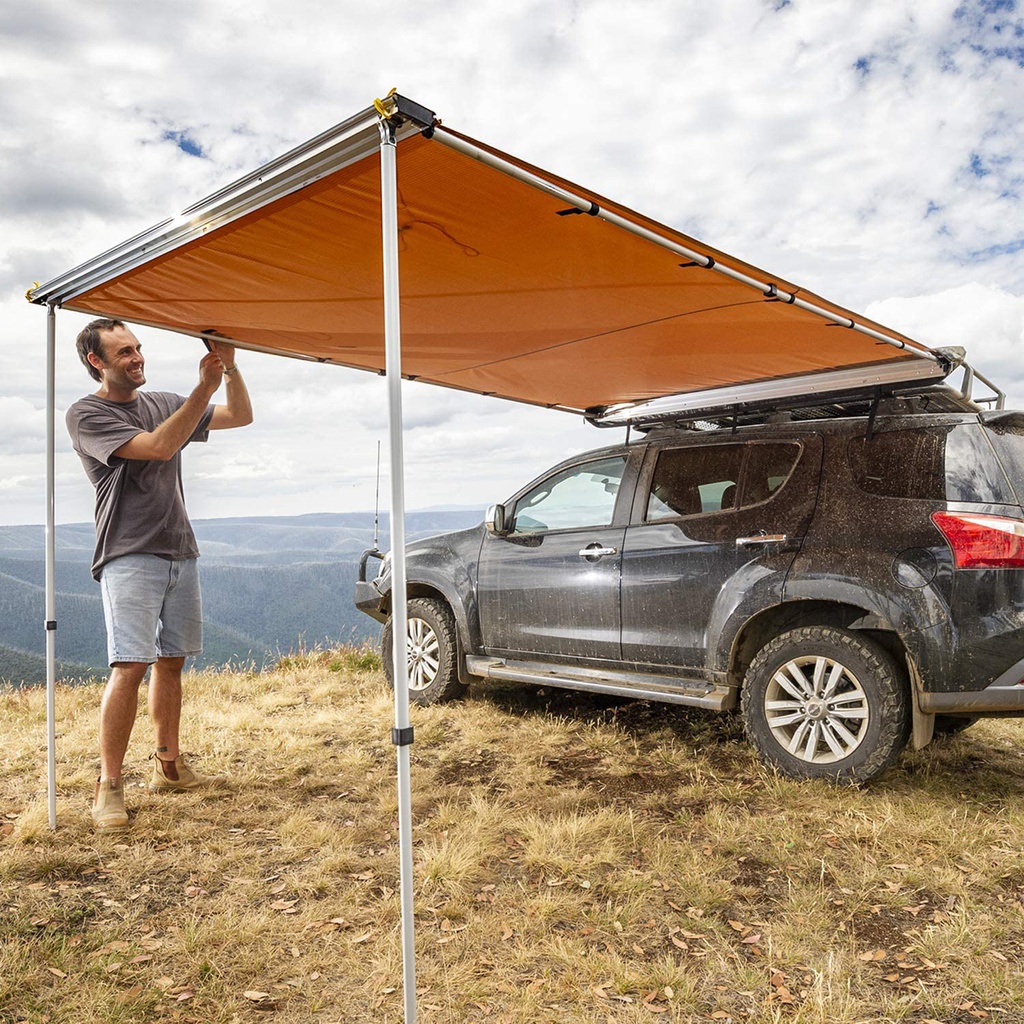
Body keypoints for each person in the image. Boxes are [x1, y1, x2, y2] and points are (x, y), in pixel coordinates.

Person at [66, 318, 253, 832]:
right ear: (96, 362)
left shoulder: (164, 400)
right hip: (128, 553)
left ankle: (169, 766)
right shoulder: (87, 414)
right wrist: (201, 389)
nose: (137, 356)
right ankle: (109, 784)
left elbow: (240, 415)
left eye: (138, 347)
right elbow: (157, 448)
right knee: (130, 665)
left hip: (179, 549)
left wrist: (230, 367)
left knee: (171, 662)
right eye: (124, 352)